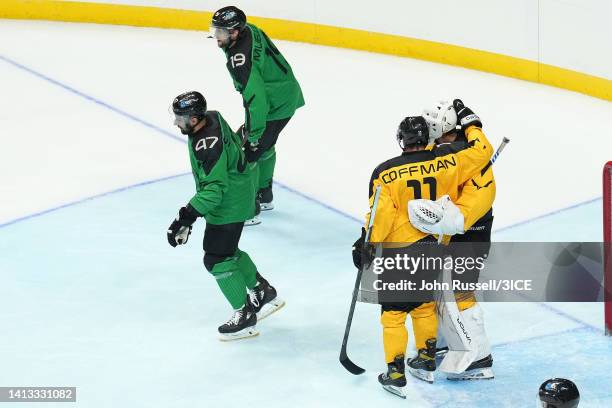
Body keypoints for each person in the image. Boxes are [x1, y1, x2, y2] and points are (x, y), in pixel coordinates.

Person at [352, 102, 492, 397]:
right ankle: (427, 361)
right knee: (424, 306)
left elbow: (381, 215)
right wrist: (473, 124)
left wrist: (367, 243)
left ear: (402, 140)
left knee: (392, 315)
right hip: (433, 247)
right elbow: (481, 153)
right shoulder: (449, 161)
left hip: (399, 252)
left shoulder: (385, 172)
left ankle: (395, 374)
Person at [166, 91, 284, 341]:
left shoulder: (206, 145)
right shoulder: (213, 116)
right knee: (228, 250)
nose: (177, 123)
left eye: (181, 118)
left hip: (229, 202)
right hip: (240, 190)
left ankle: (244, 315)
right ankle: (263, 291)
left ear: (196, 119)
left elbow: (214, 189)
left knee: (216, 258)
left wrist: (185, 217)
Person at [407, 99, 496, 381]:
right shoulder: (455, 150)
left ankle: (479, 357)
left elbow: (463, 217)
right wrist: (473, 125)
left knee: (460, 293)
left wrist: (426, 217)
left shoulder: (465, 162)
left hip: (468, 235)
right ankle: (445, 342)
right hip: (450, 232)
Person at [209, 6, 305, 223]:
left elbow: (256, 100)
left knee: (243, 153)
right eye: (216, 30)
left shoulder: (241, 61)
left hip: (273, 105)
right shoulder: (249, 30)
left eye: (222, 32)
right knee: (266, 146)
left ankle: (248, 208)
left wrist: (253, 136)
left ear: (235, 32)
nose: (217, 36)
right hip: (284, 93)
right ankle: (265, 195)